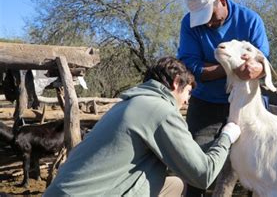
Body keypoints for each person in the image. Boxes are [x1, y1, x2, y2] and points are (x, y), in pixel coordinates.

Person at [43, 57, 241, 197]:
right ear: (175, 83)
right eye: (188, 92)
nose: (187, 102)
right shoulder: (161, 110)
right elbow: (203, 175)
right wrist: (227, 136)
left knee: (174, 186)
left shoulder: (127, 104)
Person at [178, 0, 270, 196]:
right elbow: (190, 66)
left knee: (255, 165)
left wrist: (256, 68)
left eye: (209, 16)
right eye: (200, 18)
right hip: (205, 105)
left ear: (220, 0)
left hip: (246, 106)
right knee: (196, 166)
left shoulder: (250, 20)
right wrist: (232, 67)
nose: (207, 23)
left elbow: (262, 59)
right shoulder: (189, 23)